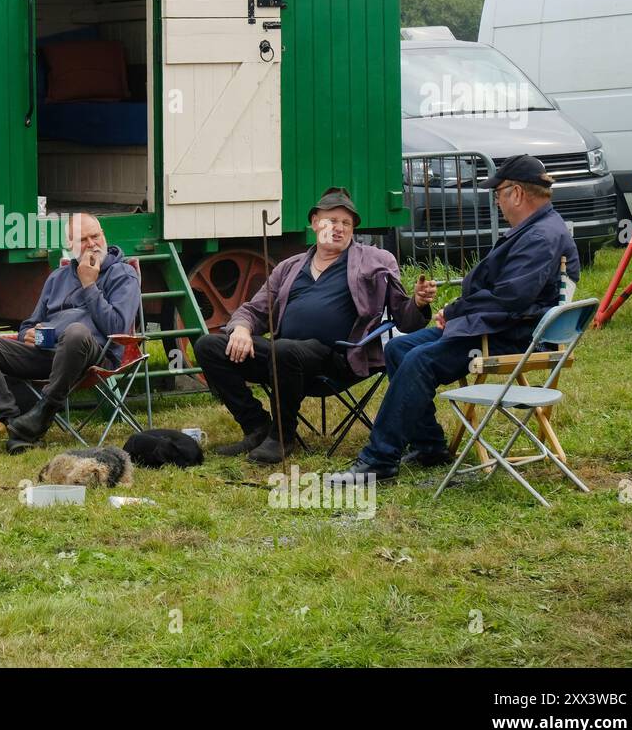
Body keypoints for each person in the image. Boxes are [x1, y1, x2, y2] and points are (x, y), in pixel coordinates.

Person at [327, 155, 580, 484]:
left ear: (516, 193)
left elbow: (510, 298)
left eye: (499, 193)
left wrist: (458, 310)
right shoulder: (537, 229)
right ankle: (430, 446)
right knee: (399, 349)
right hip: (497, 326)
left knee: (419, 360)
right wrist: (459, 311)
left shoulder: (539, 237)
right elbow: (506, 295)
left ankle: (379, 459)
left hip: (510, 336)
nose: (497, 201)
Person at [195, 187, 436, 464]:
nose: (339, 229)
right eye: (332, 221)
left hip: (336, 358)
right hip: (281, 358)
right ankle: (257, 426)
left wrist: (417, 302)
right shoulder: (290, 267)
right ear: (314, 223)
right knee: (209, 345)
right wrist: (241, 328)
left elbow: (404, 317)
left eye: (346, 224)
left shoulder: (374, 261)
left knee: (284, 349)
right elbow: (254, 310)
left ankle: (281, 439)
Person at [0, 212, 142, 454]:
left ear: (104, 235)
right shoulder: (57, 278)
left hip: (93, 355)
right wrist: (28, 333)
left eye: (95, 236)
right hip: (47, 353)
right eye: (83, 239)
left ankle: (43, 412)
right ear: (70, 245)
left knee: (76, 332)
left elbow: (117, 327)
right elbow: (31, 322)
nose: (92, 244)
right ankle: (14, 421)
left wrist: (89, 285)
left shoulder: (122, 274)